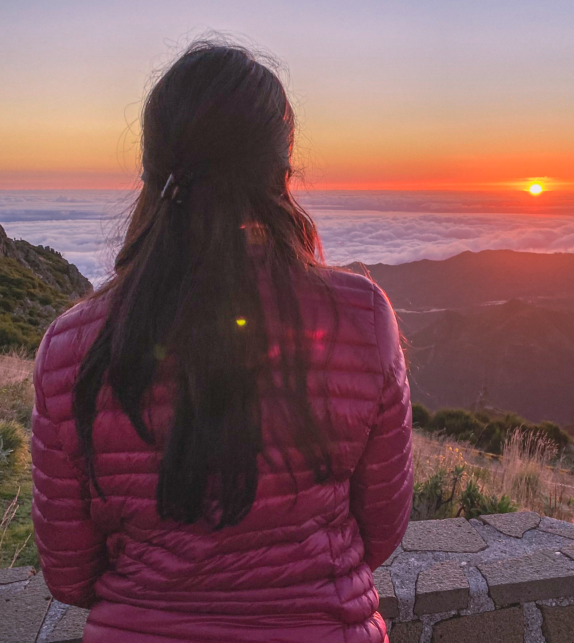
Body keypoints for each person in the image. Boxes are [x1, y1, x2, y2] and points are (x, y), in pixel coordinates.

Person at [31, 41, 414, 643]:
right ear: (281, 170)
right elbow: (381, 530)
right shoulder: (362, 318)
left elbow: (70, 574)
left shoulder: (70, 350)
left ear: (152, 171)